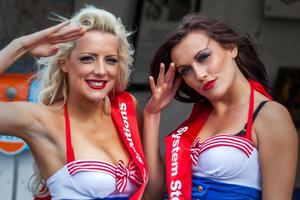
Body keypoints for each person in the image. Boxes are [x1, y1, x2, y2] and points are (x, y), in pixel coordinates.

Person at [143, 13, 298, 200]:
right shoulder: (193, 123)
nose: (199, 74)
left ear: (232, 48)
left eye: (203, 57)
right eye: (186, 70)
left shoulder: (270, 116)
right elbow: (153, 194)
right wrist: (152, 115)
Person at [0, 6, 147, 200]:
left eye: (110, 60)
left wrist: (153, 116)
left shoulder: (128, 108)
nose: (101, 70)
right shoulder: (43, 120)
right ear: (64, 62)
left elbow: (152, 189)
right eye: (88, 59)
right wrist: (21, 45)